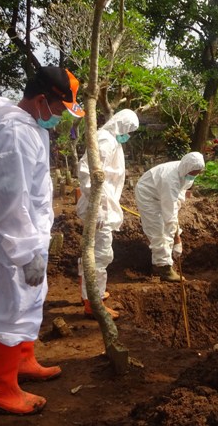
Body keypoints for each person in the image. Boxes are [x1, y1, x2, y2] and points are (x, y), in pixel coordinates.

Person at [0, 66, 85, 415]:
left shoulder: (30, 127)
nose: (59, 118)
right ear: (40, 100)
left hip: (28, 234)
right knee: (11, 308)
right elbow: (10, 199)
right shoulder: (14, 135)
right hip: (11, 238)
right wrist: (23, 251)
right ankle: (0, 390)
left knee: (31, 301)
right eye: (57, 109)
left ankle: (23, 361)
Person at [76, 109, 139, 320]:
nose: (129, 135)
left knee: (92, 251)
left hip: (102, 204)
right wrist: (100, 207)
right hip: (99, 209)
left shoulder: (111, 140)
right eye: (129, 130)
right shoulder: (106, 140)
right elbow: (89, 171)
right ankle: (93, 304)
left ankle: (91, 293)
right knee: (101, 254)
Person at [135, 152, 205, 282]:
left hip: (161, 192)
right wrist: (177, 240)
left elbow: (179, 194)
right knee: (158, 230)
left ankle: (159, 263)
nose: (194, 176)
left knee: (168, 226)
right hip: (148, 195)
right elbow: (170, 213)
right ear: (188, 168)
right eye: (194, 173)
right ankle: (164, 268)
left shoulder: (186, 171)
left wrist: (174, 230)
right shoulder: (170, 179)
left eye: (197, 173)